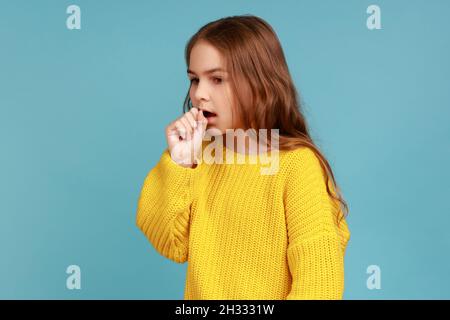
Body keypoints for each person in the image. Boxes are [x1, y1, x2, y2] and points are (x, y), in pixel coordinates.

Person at [136, 14, 351, 300]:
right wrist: (179, 163)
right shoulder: (201, 156)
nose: (200, 93)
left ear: (259, 83)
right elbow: (171, 243)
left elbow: (319, 284)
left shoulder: (297, 166)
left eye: (217, 79)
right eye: (194, 79)